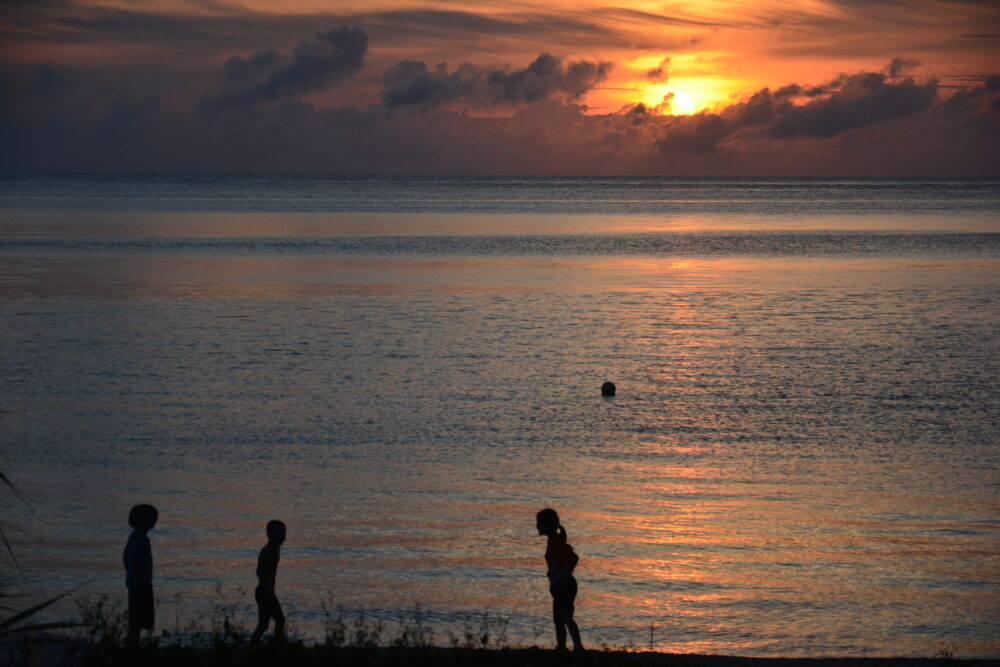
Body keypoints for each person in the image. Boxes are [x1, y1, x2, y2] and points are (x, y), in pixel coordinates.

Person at [536, 508, 584, 651]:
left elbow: (573, 558)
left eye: (539, 523)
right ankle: (562, 648)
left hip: (565, 586)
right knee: (559, 620)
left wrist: (564, 575)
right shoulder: (553, 540)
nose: (536, 526)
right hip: (560, 586)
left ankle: (578, 647)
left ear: (547, 524)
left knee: (566, 617)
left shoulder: (556, 542)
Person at [123, 503, 158, 648]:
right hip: (140, 584)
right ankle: (133, 645)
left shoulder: (135, 537)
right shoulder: (141, 539)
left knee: (136, 617)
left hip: (135, 583)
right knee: (138, 617)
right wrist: (142, 578)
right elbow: (138, 561)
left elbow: (125, 557)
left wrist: (130, 573)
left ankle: (133, 643)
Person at [250, 520, 286, 646]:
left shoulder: (274, 549)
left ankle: (254, 645)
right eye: (280, 533)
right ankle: (277, 647)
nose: (283, 537)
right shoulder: (268, 552)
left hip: (266, 591)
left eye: (284, 533)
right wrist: (267, 592)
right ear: (270, 534)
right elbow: (260, 572)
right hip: (265, 592)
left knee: (264, 625)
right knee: (279, 620)